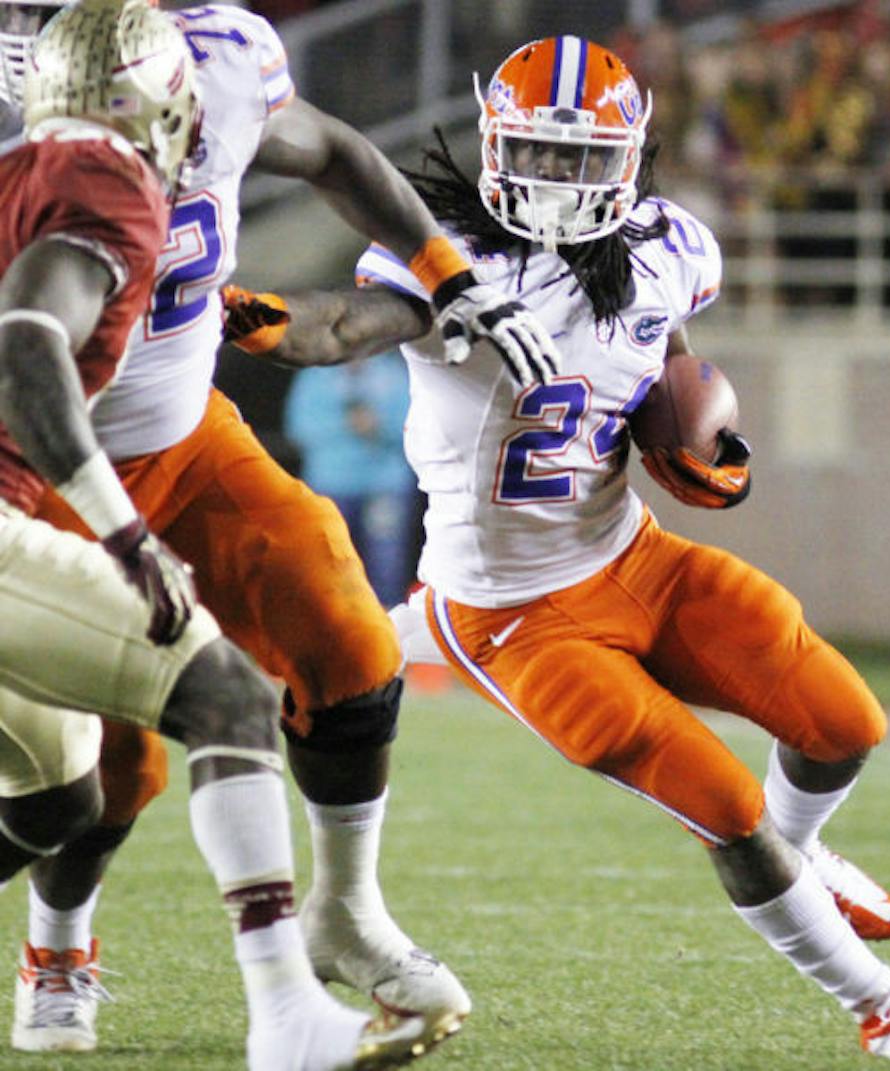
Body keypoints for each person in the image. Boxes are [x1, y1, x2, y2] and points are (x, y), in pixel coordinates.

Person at [247, 35, 890, 1062]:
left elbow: (664, 360)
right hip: (511, 615)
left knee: (843, 723)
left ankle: (806, 856)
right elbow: (346, 325)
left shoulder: (665, 246)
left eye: (579, 158)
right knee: (727, 809)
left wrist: (696, 440)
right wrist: (261, 317)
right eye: (537, 154)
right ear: (494, 145)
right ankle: (883, 1005)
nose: (554, 180)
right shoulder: (447, 260)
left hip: (633, 557)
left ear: (631, 157)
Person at [0, 0, 559, 1055]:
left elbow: (332, 147)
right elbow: (29, 349)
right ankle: (59, 943)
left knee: (347, 637)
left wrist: (446, 273)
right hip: (40, 472)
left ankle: (343, 913)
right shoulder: (58, 137)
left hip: (182, 428)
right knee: (101, 772)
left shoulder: (211, 59)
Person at [284, 352, 419, 608]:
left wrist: (379, 427)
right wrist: (347, 426)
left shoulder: (393, 373)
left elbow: (416, 428)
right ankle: (332, 625)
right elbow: (298, 427)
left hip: (384, 485)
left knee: (386, 565)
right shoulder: (315, 376)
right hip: (332, 484)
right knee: (329, 562)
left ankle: (387, 629)